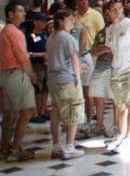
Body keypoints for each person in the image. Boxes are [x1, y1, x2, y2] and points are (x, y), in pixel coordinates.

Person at [0, 2, 36, 162]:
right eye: (20, 11)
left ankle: (5, 147)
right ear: (11, 14)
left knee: (10, 112)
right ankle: (15, 149)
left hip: (6, 75)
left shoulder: (4, 31)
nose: (24, 13)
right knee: (27, 110)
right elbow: (23, 57)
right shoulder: (15, 33)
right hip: (16, 74)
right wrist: (32, 74)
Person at [104, 0, 130, 152]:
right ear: (108, 12)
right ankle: (121, 133)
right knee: (119, 105)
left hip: (129, 70)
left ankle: (129, 136)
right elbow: (110, 49)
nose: (116, 12)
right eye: (113, 10)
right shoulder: (110, 29)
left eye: (119, 9)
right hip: (116, 70)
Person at [46, 9, 85, 159]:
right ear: (61, 21)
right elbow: (74, 58)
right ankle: (69, 146)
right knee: (72, 112)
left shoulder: (51, 37)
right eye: (69, 19)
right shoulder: (67, 38)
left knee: (56, 114)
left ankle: (56, 146)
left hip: (53, 79)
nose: (72, 21)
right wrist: (78, 79)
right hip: (66, 79)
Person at [74, 0, 105, 135]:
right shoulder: (73, 17)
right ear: (76, 3)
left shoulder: (95, 15)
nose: (84, 2)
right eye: (81, 0)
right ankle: (82, 116)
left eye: (86, 0)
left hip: (91, 55)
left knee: (90, 87)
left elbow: (102, 34)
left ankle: (92, 115)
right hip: (77, 57)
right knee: (79, 87)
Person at [89, 2, 115, 137]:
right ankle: (99, 124)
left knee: (116, 99)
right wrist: (105, 48)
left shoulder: (119, 30)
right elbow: (94, 51)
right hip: (100, 67)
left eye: (111, 11)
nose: (108, 15)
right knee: (98, 97)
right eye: (106, 12)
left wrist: (103, 48)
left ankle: (117, 125)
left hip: (113, 67)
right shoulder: (101, 33)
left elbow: (115, 49)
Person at [25, 12, 49, 123]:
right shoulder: (31, 36)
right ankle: (34, 113)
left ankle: (42, 111)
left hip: (46, 64)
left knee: (45, 88)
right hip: (36, 65)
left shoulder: (45, 34)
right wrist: (41, 54)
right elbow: (28, 52)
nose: (44, 23)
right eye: (42, 21)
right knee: (37, 88)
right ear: (35, 22)